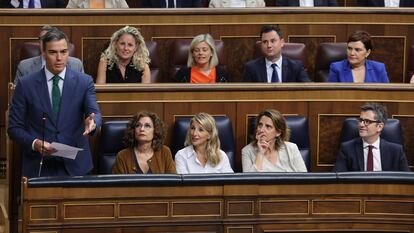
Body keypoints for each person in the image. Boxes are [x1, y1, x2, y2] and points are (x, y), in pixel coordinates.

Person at [8, 29, 102, 178]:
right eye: (53, 52)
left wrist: (93, 122)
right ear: (43, 53)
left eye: (64, 52)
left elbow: (94, 113)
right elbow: (13, 128)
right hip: (39, 165)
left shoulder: (84, 81)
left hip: (75, 165)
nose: (59, 58)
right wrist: (35, 143)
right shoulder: (26, 84)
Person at [333, 103, 409, 172]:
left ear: (379, 126)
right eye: (360, 120)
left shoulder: (396, 151)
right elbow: (338, 180)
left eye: (367, 121)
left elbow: (406, 181)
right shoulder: (346, 149)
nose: (361, 125)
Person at [14, 25, 84, 87]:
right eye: (43, 39)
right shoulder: (24, 67)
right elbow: (17, 96)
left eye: (50, 39)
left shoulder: (76, 65)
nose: (46, 42)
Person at [242, 109, 307, 172]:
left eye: (268, 126)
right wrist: (260, 153)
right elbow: (250, 181)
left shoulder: (291, 148)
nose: (261, 130)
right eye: (260, 125)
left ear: (278, 132)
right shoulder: (247, 151)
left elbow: (304, 178)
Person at [243, 25, 311, 83]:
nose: (269, 45)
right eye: (265, 42)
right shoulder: (251, 68)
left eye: (273, 41)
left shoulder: (296, 67)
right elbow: (244, 95)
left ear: (282, 42)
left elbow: (309, 91)